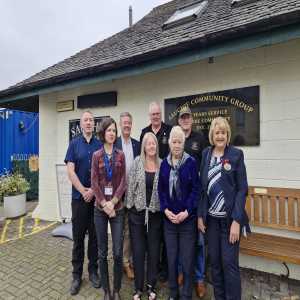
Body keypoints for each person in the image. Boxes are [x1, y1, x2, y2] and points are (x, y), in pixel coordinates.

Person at [197, 117, 250, 300]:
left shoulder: (236, 154)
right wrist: (200, 216)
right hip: (211, 221)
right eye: (217, 132)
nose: (220, 136)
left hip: (229, 222)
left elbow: (242, 189)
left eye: (223, 132)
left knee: (230, 265)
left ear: (228, 135)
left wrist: (237, 221)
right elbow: (202, 189)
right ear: (212, 135)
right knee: (216, 265)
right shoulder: (205, 154)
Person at [158, 126, 200, 300]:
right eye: (174, 142)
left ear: (184, 144)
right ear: (169, 143)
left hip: (187, 221)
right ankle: (173, 293)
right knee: (172, 259)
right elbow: (160, 190)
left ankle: (186, 295)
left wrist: (187, 211)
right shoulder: (165, 164)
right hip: (169, 221)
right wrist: (166, 210)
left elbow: (196, 190)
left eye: (179, 142)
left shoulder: (191, 163)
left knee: (188, 260)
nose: (176, 145)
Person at [65, 111, 102, 296]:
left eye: (91, 120)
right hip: (79, 200)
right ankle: (77, 275)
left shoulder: (99, 144)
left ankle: (93, 271)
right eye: (85, 120)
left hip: (96, 200)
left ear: (94, 125)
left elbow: (104, 172)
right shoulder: (74, 144)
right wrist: (83, 191)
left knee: (94, 238)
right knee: (78, 239)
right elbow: (70, 171)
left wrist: (94, 191)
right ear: (81, 124)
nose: (88, 123)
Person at [91, 117, 126, 300]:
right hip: (100, 209)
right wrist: (104, 204)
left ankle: (117, 290)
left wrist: (113, 202)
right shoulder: (96, 155)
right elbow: (94, 182)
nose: (112, 133)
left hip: (118, 209)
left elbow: (123, 182)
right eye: (109, 130)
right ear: (103, 133)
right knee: (102, 252)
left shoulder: (121, 155)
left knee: (118, 252)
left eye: (114, 130)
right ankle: (106, 290)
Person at [126, 132, 162, 300]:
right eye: (148, 144)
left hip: (155, 216)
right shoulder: (136, 162)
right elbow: (130, 185)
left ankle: (151, 286)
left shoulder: (162, 165)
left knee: (154, 253)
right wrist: (131, 208)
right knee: (139, 252)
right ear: (144, 147)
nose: (151, 146)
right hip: (137, 215)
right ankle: (138, 288)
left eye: (153, 143)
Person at [140, 101, 172, 281]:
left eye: (158, 114)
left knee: (163, 236)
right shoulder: (145, 132)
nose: (156, 116)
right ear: (149, 116)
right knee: (152, 236)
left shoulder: (169, 129)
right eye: (153, 114)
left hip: (166, 186)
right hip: (148, 191)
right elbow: (142, 159)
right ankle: (153, 266)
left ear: (161, 114)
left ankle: (164, 269)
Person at [177, 106, 207, 298]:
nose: (185, 120)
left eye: (188, 117)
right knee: (182, 237)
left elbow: (204, 169)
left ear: (192, 119)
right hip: (180, 197)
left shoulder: (200, 139)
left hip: (196, 196)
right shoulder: (177, 138)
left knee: (199, 241)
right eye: (182, 117)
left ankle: (199, 278)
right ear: (179, 121)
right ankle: (180, 271)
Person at [115, 112, 140, 280]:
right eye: (124, 123)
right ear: (120, 124)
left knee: (130, 230)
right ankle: (118, 262)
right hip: (117, 195)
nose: (127, 125)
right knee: (118, 230)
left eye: (129, 123)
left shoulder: (137, 145)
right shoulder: (113, 142)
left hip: (133, 195)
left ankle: (127, 262)